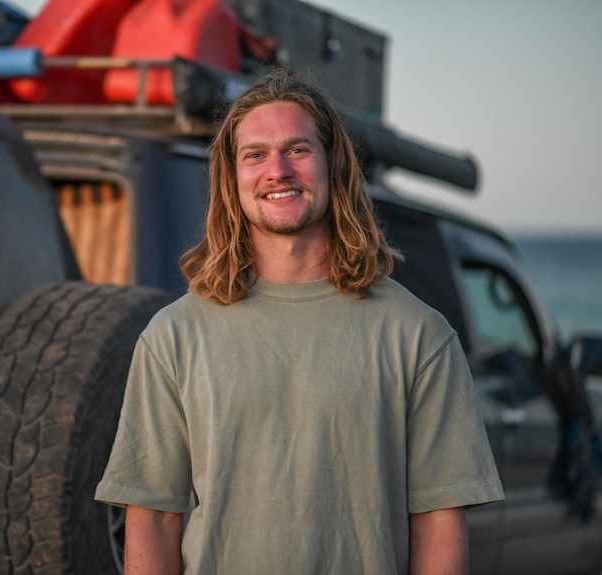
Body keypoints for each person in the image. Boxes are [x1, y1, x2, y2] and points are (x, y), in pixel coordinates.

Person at [94, 69, 504, 574]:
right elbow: (153, 519)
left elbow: (438, 524)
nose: (277, 170)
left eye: (298, 150)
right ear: (232, 178)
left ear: (333, 165)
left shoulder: (419, 335)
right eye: (255, 154)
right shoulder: (173, 337)